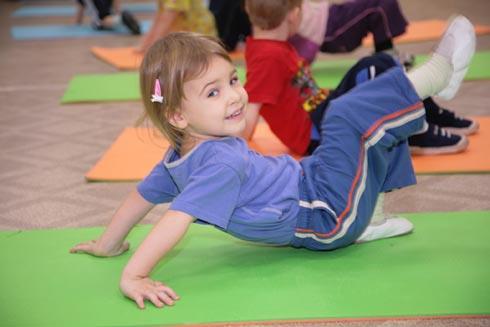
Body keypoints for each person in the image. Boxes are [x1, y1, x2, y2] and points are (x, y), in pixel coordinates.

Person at [70, 14, 475, 309]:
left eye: (232, 80)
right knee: (346, 116)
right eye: (213, 93)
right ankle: (436, 77)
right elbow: (172, 218)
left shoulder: (180, 156)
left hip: (311, 183)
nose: (234, 96)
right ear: (177, 115)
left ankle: (373, 217)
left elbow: (137, 199)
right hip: (327, 217)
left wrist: (109, 245)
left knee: (357, 119)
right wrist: (134, 274)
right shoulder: (217, 166)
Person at [243, 0, 476, 159]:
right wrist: (231, 142)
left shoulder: (271, 48)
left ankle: (427, 112)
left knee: (381, 63)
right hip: (319, 133)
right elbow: (251, 109)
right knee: (373, 70)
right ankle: (415, 132)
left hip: (323, 109)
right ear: (295, 14)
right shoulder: (267, 58)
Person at [136, 0, 216, 54]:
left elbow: (168, 17)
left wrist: (152, 46)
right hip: (182, 34)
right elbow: (160, 16)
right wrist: (145, 43)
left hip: (198, 34)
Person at [75, 0, 141, 35]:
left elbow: (80, 10)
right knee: (103, 21)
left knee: (110, 19)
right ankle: (121, 19)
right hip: (100, 21)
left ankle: (121, 19)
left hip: (106, 18)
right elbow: (80, 10)